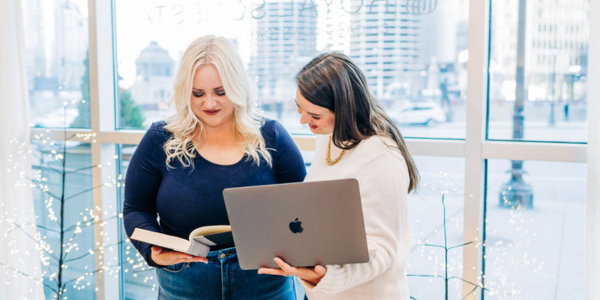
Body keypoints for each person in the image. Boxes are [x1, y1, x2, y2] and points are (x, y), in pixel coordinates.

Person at [123, 36, 306, 300]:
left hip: (264, 282)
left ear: (238, 87)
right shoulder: (159, 139)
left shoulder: (272, 136)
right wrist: (150, 247)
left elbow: (303, 211)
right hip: (183, 282)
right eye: (198, 94)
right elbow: (136, 209)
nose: (209, 104)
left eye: (221, 92)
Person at [258, 52, 419, 300]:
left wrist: (325, 276)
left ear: (345, 110)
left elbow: (384, 251)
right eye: (300, 109)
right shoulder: (330, 136)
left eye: (314, 116)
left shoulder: (381, 157)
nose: (303, 120)